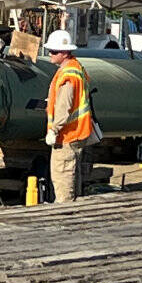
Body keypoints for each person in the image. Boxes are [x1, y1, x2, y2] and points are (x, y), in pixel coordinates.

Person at [44, 29, 100, 203]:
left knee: (63, 179)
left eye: (53, 51)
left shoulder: (68, 74)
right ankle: (72, 210)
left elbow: (64, 105)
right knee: (72, 176)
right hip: (77, 133)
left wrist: (54, 129)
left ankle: (65, 213)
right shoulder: (76, 68)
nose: (50, 54)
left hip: (66, 135)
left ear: (65, 52)